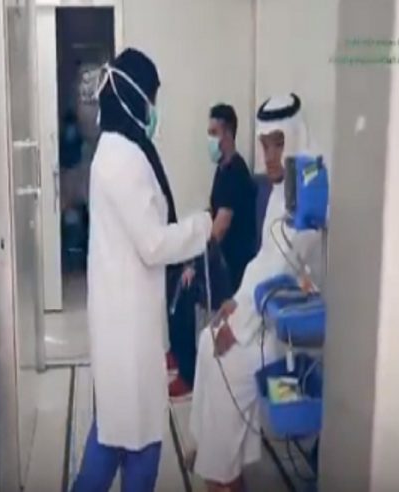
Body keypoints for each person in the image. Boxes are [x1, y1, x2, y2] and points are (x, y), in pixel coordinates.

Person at [72, 48, 212, 492]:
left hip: (124, 316)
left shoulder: (117, 149)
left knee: (115, 431)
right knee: (138, 439)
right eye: (152, 98)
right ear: (135, 97)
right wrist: (203, 226)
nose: (154, 109)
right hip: (126, 324)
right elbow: (153, 244)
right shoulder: (123, 159)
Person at [188, 94, 324, 492]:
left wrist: (238, 325)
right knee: (206, 341)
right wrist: (234, 303)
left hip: (287, 327)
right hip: (263, 309)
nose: (269, 156)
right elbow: (264, 260)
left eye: (279, 144)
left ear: (294, 140)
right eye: (265, 145)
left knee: (225, 363)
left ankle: (223, 474)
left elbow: (280, 272)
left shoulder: (308, 198)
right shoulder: (283, 191)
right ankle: (217, 455)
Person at [168, 104, 259, 398]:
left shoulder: (235, 173)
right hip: (220, 258)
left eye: (213, 132)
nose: (209, 139)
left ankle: (188, 374)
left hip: (232, 265)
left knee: (184, 282)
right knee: (172, 269)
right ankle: (177, 352)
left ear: (228, 135)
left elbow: (219, 229)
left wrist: (194, 262)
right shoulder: (222, 170)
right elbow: (213, 213)